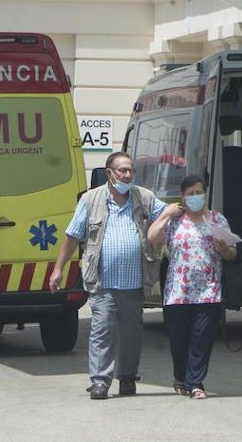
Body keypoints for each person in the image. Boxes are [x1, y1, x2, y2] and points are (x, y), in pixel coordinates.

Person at [49, 151, 165, 399]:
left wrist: (184, 213)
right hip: (102, 283)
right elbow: (72, 236)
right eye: (122, 170)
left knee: (132, 336)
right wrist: (58, 268)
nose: (127, 174)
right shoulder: (91, 200)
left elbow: (165, 214)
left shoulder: (143, 197)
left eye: (130, 170)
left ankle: (127, 378)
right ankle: (100, 381)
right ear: (109, 173)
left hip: (134, 284)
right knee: (102, 332)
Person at [147, 174, 239, 400]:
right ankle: (180, 377)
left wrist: (224, 249)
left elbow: (232, 253)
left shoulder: (217, 220)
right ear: (183, 198)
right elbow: (152, 238)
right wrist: (166, 213)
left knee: (201, 339)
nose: (196, 197)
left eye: (199, 192)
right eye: (191, 194)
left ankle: (195, 383)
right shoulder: (175, 221)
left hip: (208, 291)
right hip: (178, 293)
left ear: (205, 194)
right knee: (179, 341)